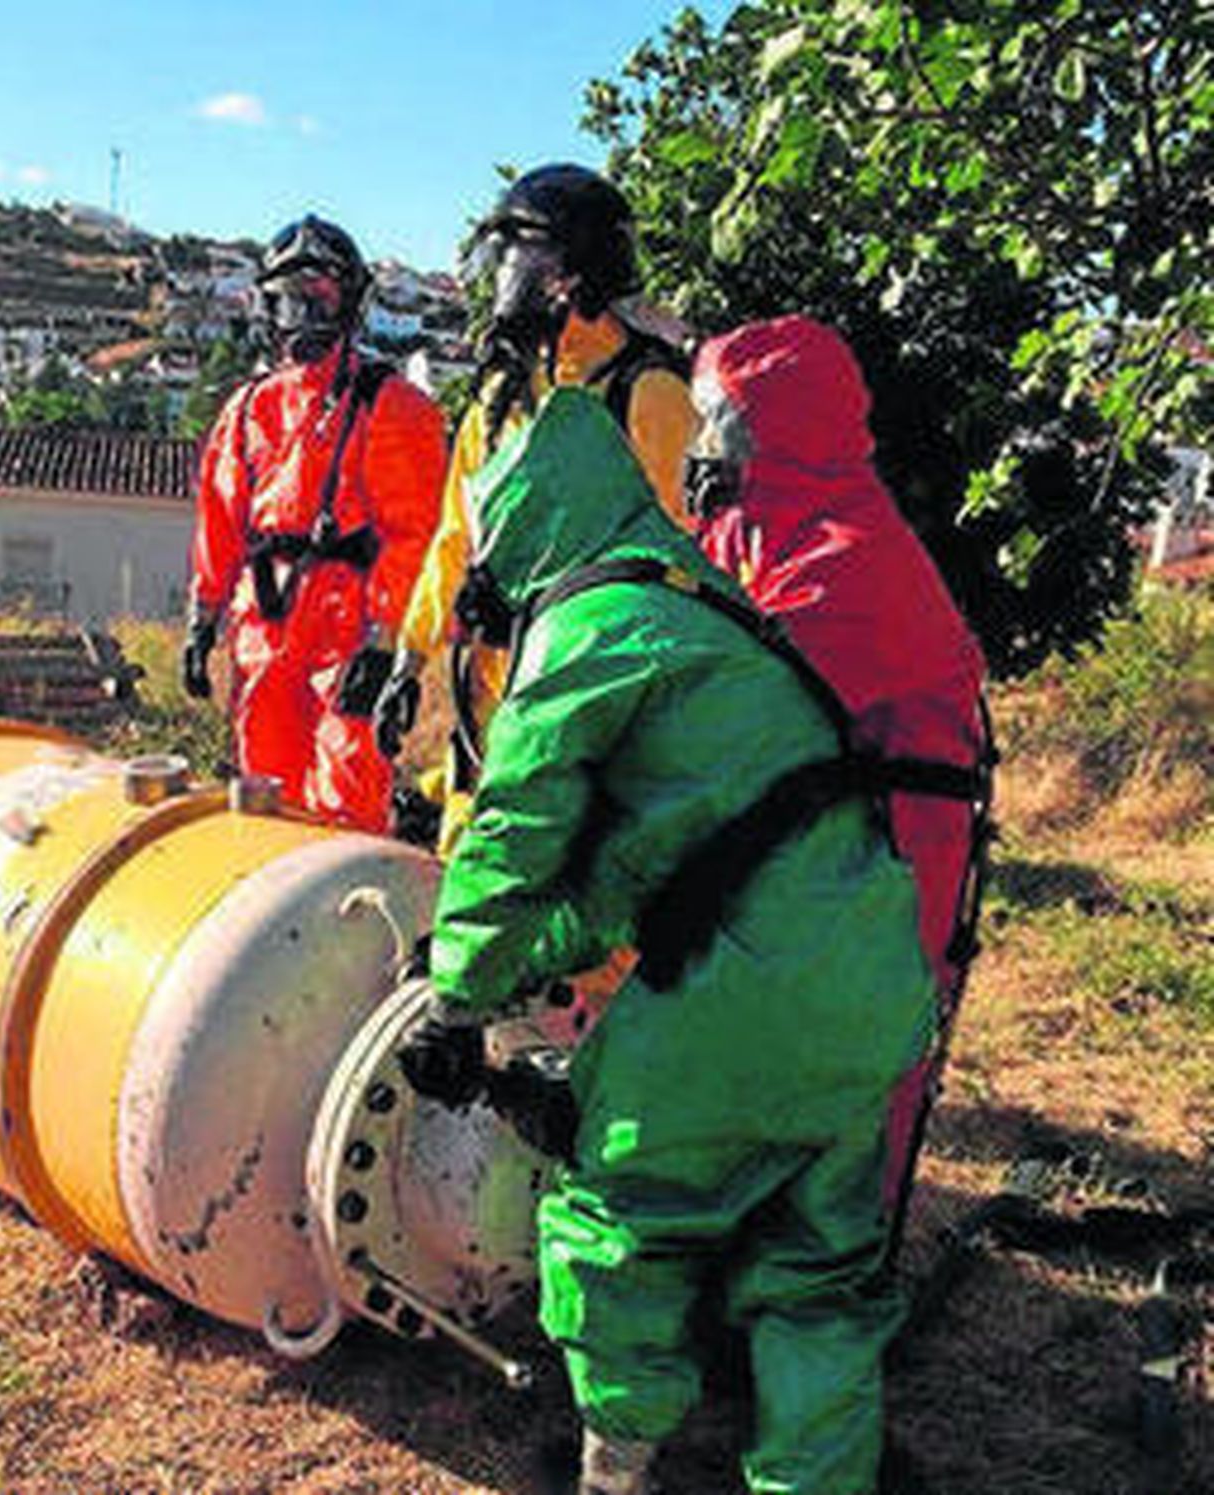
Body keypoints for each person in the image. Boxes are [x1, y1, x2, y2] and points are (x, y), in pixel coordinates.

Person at [397, 386, 937, 1495]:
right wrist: (511, 964)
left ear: (521, 535)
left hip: (751, 993)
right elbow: (640, 871)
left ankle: (615, 1473)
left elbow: (513, 829)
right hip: (874, 975)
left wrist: (454, 997)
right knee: (817, 1267)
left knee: (618, 1220)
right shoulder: (703, 607)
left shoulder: (588, 624)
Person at [689, 315, 990, 1213]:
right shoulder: (755, 531)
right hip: (811, 855)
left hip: (886, 870)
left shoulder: (851, 560)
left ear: (788, 429)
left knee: (843, 1082)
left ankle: (825, 1295)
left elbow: (726, 704)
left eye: (726, 423)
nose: (708, 445)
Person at [373, 165, 696, 850]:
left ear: (575, 273)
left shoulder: (648, 396)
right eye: (506, 258)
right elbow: (455, 540)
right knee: (470, 877)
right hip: (487, 702)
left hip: (591, 713)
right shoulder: (498, 397)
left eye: (525, 257)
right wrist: (409, 655)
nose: (507, 279)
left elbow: (676, 573)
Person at [183, 215, 447, 832]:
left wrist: (386, 646)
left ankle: (348, 919)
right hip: (264, 620)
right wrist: (202, 618)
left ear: (349, 304)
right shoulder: (248, 408)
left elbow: (416, 536)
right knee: (262, 798)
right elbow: (221, 520)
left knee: (348, 792)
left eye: (319, 300)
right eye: (287, 301)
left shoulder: (395, 406)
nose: (302, 317)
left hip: (348, 623)